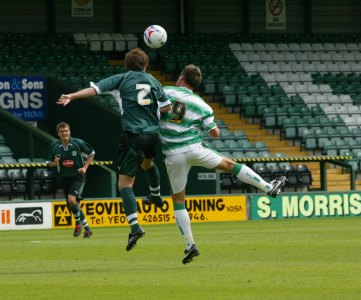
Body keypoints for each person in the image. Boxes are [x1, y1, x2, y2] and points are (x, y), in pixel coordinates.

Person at [153, 64, 286, 264]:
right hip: (193, 148)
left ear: (181, 77)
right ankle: (268, 187)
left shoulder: (166, 91)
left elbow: (154, 107)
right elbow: (214, 133)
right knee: (229, 165)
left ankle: (190, 245)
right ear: (196, 84)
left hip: (173, 154)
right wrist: (209, 127)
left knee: (178, 200)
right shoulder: (202, 105)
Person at [57, 48, 172, 251]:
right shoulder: (154, 81)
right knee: (148, 163)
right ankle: (155, 194)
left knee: (124, 184)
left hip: (132, 136)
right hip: (153, 135)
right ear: (146, 65)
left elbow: (94, 90)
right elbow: (167, 107)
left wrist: (72, 96)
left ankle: (135, 227)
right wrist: (151, 109)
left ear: (127, 65)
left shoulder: (121, 78)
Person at [47, 122, 95, 238]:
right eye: (62, 131)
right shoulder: (54, 146)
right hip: (64, 177)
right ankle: (87, 229)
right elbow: (49, 163)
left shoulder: (77, 143)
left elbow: (92, 153)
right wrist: (55, 163)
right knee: (73, 205)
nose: (64, 133)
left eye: (66, 131)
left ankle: (78, 223)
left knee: (72, 200)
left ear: (69, 131)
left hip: (78, 176)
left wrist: (85, 167)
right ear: (58, 133)